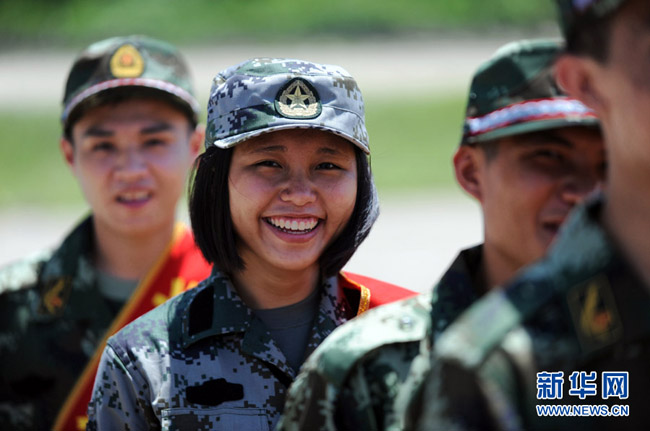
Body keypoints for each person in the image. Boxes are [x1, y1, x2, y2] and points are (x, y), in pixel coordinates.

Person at [277, 38, 606, 431]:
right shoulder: (365, 371)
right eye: (547, 157)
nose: (584, 190)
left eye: (610, 161)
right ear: (471, 172)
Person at [85, 57, 415, 431]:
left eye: (328, 166)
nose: (300, 194)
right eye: (268, 164)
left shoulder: (415, 336)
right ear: (215, 180)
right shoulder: (143, 361)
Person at [414, 1, 650, 429]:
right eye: (547, 157)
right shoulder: (501, 364)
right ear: (586, 82)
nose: (580, 189)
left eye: (601, 163)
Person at [0, 35, 212, 431]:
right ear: (70, 155)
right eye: (103, 146)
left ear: (195, 147)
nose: (130, 169)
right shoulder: (12, 310)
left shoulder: (238, 296)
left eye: (154, 141)